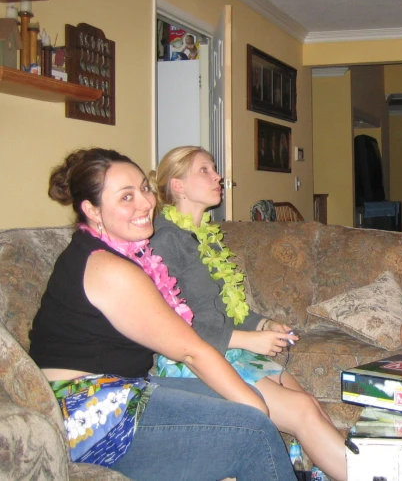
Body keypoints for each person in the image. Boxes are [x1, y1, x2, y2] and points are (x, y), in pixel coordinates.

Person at [28, 148, 296, 480]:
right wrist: (258, 415)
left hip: (124, 388)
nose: (145, 203)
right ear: (92, 210)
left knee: (248, 399)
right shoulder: (108, 267)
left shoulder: (120, 252)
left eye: (144, 188)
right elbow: (190, 350)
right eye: (126, 197)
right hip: (84, 410)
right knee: (253, 427)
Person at [150, 146, 347, 481]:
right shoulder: (165, 239)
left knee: (308, 402)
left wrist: (264, 323)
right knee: (300, 411)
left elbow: (227, 307)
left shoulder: (204, 237)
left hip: (228, 347)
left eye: (215, 169)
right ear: (178, 185)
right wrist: (249, 340)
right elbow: (167, 324)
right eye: (205, 171)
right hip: (191, 359)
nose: (218, 177)